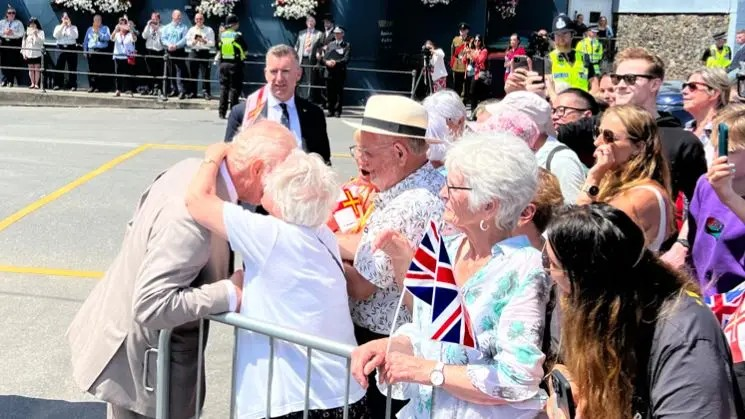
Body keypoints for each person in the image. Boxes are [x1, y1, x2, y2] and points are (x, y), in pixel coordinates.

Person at [66, 121, 296, 419]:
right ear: (256, 169)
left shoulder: (193, 170)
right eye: (282, 177)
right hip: (147, 372)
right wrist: (229, 292)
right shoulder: (189, 220)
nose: (283, 187)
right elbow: (151, 304)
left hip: (140, 352)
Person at [351, 133, 550, 418]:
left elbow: (518, 378)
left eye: (453, 186)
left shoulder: (523, 269)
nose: (442, 193)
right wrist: (390, 346)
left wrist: (430, 371)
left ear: (489, 205)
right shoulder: (445, 248)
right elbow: (424, 331)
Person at [185, 144, 368, 419]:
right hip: (343, 392)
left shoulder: (270, 234)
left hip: (295, 400)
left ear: (282, 198)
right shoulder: (322, 235)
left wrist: (213, 156)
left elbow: (198, 201)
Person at [544, 203, 743, 419]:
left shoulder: (685, 339)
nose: (547, 271)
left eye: (551, 264)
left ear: (589, 284)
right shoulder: (574, 301)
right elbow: (558, 359)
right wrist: (565, 383)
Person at [339, 94, 445, 417]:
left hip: (385, 347)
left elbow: (361, 285)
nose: (360, 160)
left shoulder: (409, 203)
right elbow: (366, 246)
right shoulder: (423, 185)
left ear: (399, 152)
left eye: (367, 152)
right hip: (397, 344)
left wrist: (318, 254)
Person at [578, 104, 673, 252]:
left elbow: (578, 235)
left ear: (638, 147)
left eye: (608, 136)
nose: (597, 142)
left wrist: (593, 178)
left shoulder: (643, 195)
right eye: (598, 132)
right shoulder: (612, 183)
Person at [225, 44, 332, 165]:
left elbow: (324, 162)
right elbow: (229, 163)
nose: (279, 78)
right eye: (274, 71)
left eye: (285, 71)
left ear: (298, 74)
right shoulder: (243, 113)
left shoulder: (314, 115)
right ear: (266, 74)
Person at [687, 104, 745, 296]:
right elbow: (696, 238)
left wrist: (728, 197)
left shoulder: (721, 190)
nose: (719, 157)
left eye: (731, 151)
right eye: (716, 147)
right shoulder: (705, 184)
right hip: (705, 297)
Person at [682, 67, 730, 165]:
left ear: (714, 93)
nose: (684, 91)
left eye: (692, 86)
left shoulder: (727, 130)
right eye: (684, 86)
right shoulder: (686, 130)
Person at [546, 14, 595, 93]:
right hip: (560, 103)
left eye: (565, 33)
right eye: (557, 34)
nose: (561, 38)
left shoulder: (584, 57)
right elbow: (548, 89)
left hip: (583, 103)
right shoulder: (548, 59)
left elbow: (594, 85)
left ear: (572, 35)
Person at [216, 14, 247, 120]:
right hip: (235, 65)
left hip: (223, 64)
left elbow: (218, 47)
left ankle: (221, 112)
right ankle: (233, 112)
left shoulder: (222, 35)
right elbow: (245, 50)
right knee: (234, 89)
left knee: (224, 88)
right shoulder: (237, 36)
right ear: (234, 24)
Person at [322, 26, 350, 118]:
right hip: (329, 72)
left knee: (338, 93)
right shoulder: (330, 45)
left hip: (339, 73)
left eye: (338, 33)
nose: (337, 35)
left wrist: (335, 62)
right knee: (329, 92)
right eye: (335, 33)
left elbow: (346, 59)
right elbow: (325, 57)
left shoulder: (347, 45)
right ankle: (330, 110)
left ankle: (337, 111)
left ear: (342, 34)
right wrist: (327, 62)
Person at [186, 13, 215, 99]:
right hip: (194, 52)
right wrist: (193, 42)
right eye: (197, 19)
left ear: (203, 20)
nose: (199, 20)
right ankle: (192, 92)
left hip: (204, 52)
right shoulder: (191, 30)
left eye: (200, 19)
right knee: (192, 73)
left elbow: (213, 43)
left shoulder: (209, 30)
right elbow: (187, 42)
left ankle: (206, 92)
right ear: (195, 20)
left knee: (205, 73)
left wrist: (204, 41)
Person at [295, 15, 323, 101]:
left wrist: (319, 59)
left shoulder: (319, 34)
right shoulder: (301, 33)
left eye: (312, 21)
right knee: (298, 78)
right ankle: (298, 97)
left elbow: (320, 47)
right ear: (306, 23)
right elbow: (297, 46)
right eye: (309, 21)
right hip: (300, 58)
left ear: (315, 23)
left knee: (309, 79)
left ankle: (308, 98)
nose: (310, 23)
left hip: (311, 60)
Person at [83, 15, 111, 93]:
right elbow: (85, 41)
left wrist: (99, 32)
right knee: (92, 69)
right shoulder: (89, 29)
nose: (97, 21)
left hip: (101, 50)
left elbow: (108, 38)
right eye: (95, 20)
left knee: (100, 69)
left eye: (99, 20)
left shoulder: (105, 28)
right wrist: (85, 51)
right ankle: (92, 86)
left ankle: (99, 87)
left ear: (101, 20)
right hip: (91, 50)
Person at [53, 12, 79, 91]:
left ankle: (73, 85)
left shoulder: (74, 27)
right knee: (59, 66)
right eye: (64, 18)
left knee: (72, 67)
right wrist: (62, 26)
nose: (66, 19)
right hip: (60, 47)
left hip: (71, 47)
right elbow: (56, 35)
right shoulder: (58, 26)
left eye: (67, 18)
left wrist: (69, 26)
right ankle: (57, 84)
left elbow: (75, 36)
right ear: (61, 19)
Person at [111, 17, 137, 97]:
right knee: (117, 74)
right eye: (121, 24)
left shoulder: (129, 35)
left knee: (127, 74)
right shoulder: (117, 34)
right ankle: (118, 90)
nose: (122, 26)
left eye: (124, 24)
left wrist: (131, 30)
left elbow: (134, 39)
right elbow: (111, 38)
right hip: (118, 56)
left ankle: (128, 90)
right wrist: (115, 30)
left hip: (127, 57)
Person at [0, 6, 25, 87]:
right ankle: (4, 80)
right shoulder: (2, 22)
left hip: (14, 43)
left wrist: (13, 33)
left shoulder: (18, 23)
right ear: (6, 14)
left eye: (13, 13)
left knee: (12, 62)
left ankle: (10, 81)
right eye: (9, 13)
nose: (11, 14)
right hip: (4, 43)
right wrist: (5, 32)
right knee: (3, 62)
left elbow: (22, 33)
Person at [21, 17, 44, 89]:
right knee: (30, 68)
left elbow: (41, 42)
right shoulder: (26, 33)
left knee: (37, 68)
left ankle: (37, 83)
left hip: (37, 53)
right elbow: (23, 43)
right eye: (31, 24)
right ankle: (32, 83)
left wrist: (36, 35)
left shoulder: (40, 32)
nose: (32, 26)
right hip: (29, 53)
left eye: (34, 24)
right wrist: (23, 53)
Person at [450, 22, 471, 99]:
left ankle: (465, 101)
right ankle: (456, 99)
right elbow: (452, 53)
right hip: (457, 66)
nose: (462, 31)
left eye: (464, 30)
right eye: (461, 30)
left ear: (467, 31)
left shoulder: (471, 40)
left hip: (466, 67)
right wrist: (452, 64)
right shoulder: (455, 40)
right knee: (457, 85)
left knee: (466, 85)